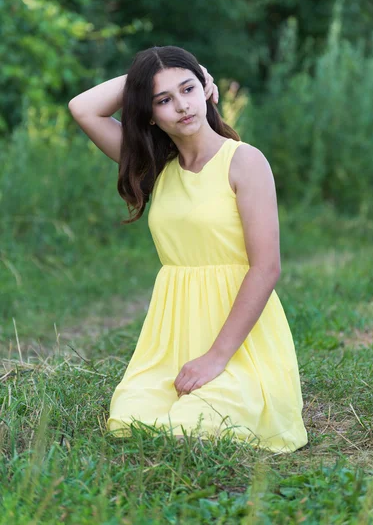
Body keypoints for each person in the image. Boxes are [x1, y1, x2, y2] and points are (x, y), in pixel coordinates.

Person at [68, 45, 308, 452]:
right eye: (164, 100)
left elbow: (266, 267)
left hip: (238, 345)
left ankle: (234, 383)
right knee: (132, 419)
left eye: (188, 89)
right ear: (149, 112)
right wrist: (144, 78)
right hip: (172, 341)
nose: (181, 106)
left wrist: (215, 357)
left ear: (206, 91)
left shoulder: (244, 161)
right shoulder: (155, 169)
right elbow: (83, 108)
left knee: (197, 423)